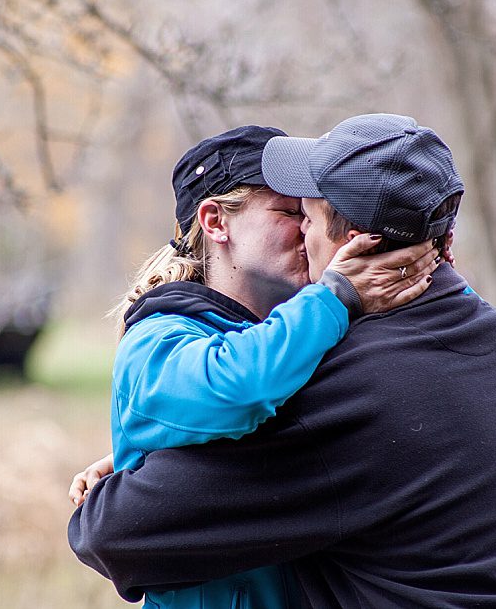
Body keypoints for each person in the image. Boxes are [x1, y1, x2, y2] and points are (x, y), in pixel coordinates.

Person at [69, 114, 496, 608]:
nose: (301, 233)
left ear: (348, 244)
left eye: (309, 217)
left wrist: (139, 476)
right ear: (447, 241)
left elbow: (117, 533)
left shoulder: (344, 390)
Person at [69, 124, 445, 608]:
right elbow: (235, 388)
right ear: (215, 222)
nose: (308, 228)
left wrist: (423, 271)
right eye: (290, 212)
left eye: (312, 213)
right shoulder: (158, 338)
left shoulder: (313, 329)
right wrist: (335, 295)